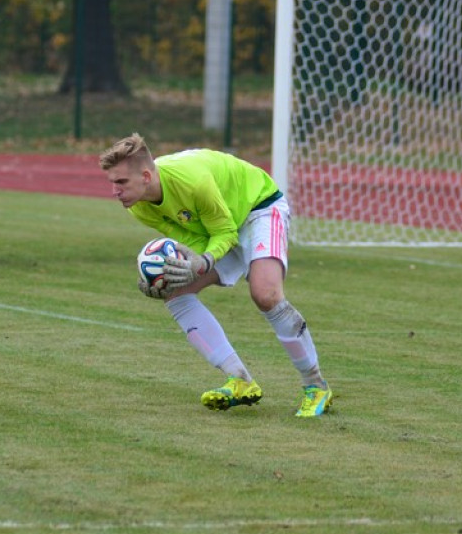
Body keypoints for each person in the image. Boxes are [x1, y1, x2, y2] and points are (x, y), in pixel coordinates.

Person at [99, 133, 333, 417]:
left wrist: (204, 262)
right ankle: (240, 381)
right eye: (112, 182)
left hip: (257, 207)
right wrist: (167, 275)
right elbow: (190, 238)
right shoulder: (139, 207)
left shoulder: (192, 181)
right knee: (175, 292)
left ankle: (316, 386)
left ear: (146, 176)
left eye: (121, 182)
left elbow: (224, 232)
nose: (115, 191)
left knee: (266, 294)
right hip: (219, 226)